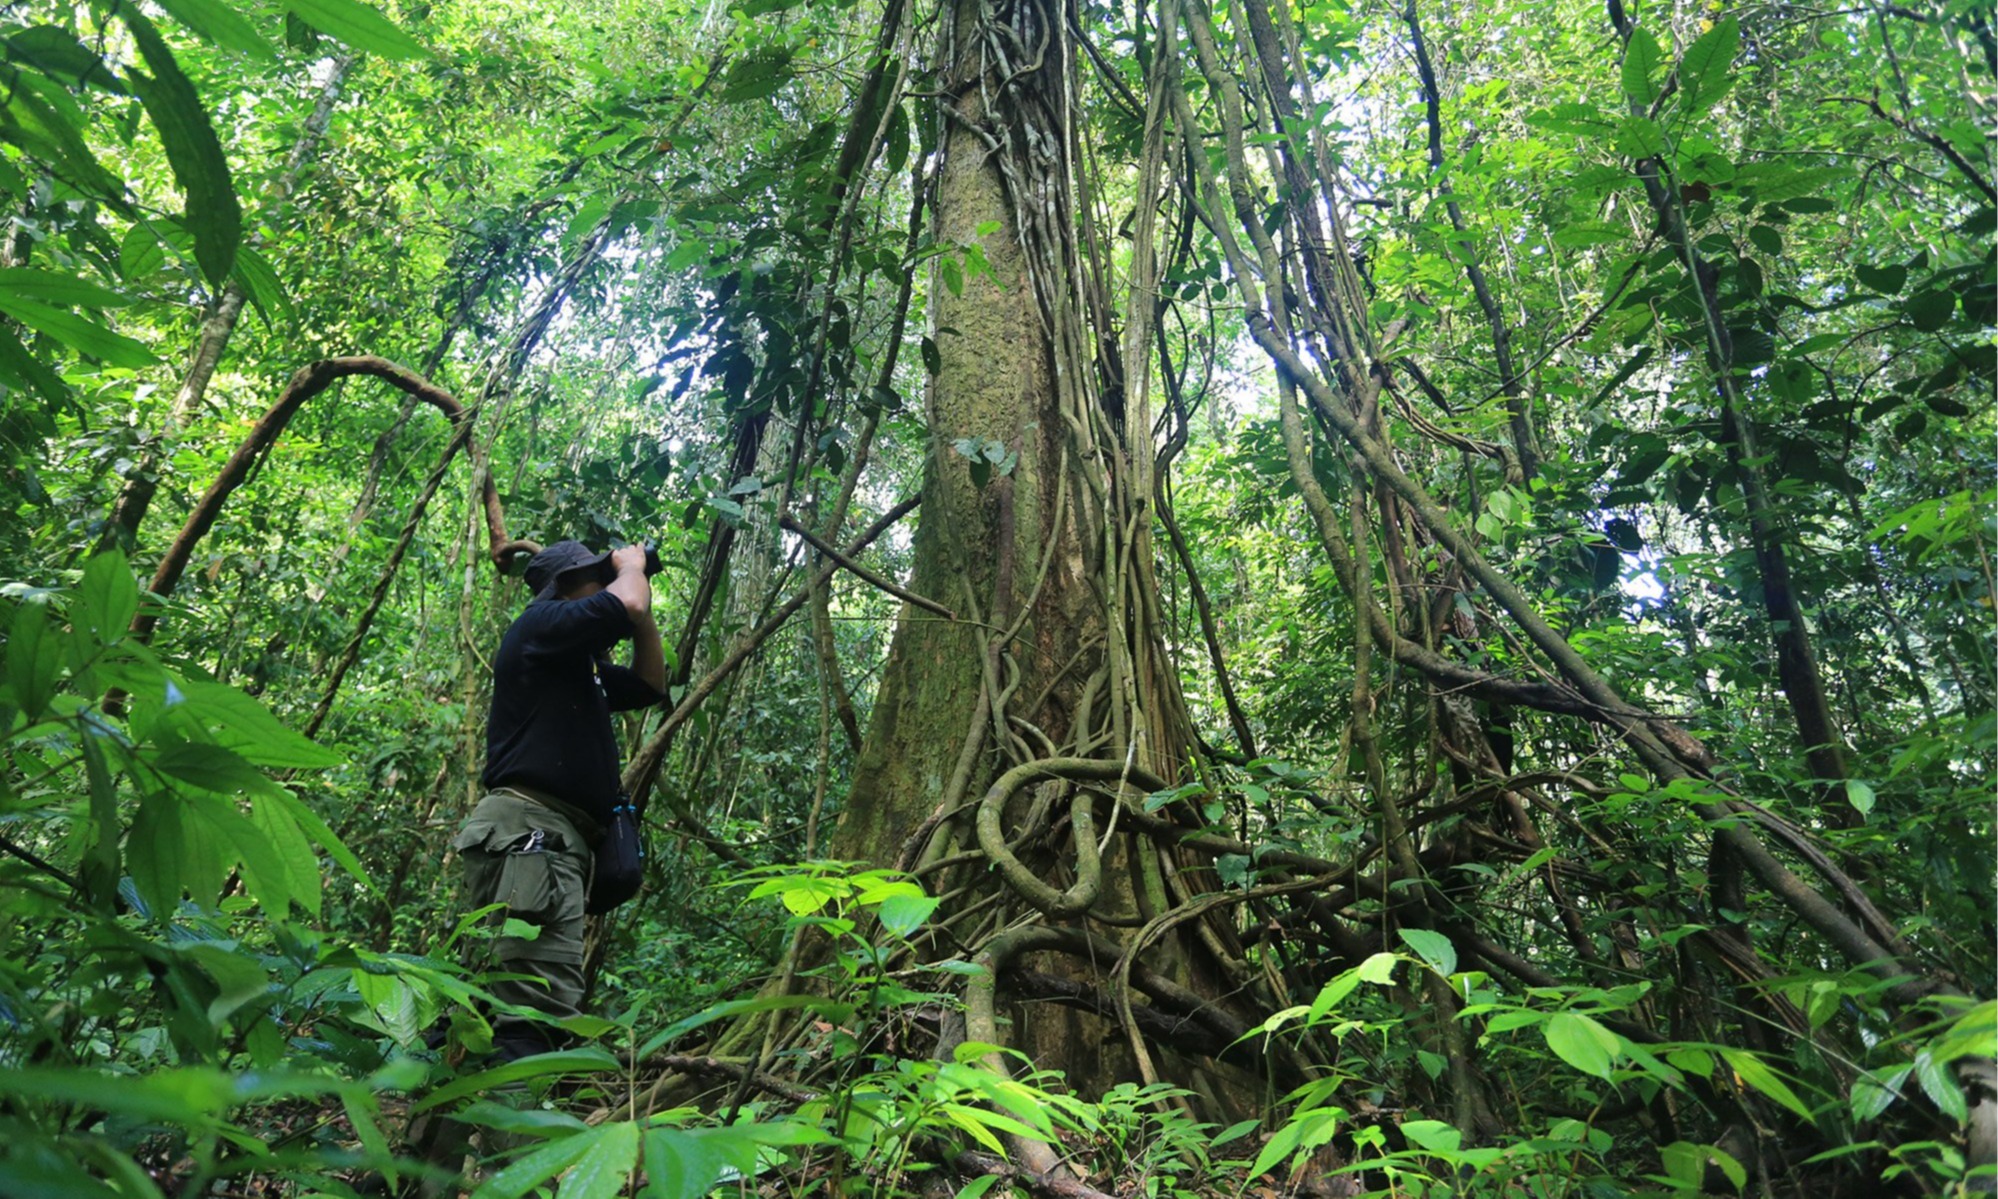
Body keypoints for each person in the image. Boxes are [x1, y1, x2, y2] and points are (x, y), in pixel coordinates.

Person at [450, 540, 665, 1061]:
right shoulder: (540, 624)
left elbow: (648, 684)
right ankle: (521, 1138)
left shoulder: (576, 664)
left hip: (544, 840)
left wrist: (640, 605)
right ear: (566, 587)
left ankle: (441, 1140)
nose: (611, 583)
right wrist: (632, 568)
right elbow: (628, 603)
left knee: (487, 1006)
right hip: (532, 836)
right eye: (599, 576)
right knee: (533, 1017)